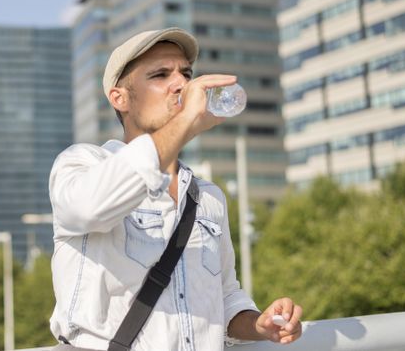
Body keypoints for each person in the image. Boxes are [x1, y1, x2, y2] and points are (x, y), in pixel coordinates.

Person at [48, 27, 302, 350]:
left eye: (186, 73)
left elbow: (224, 296)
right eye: (160, 75)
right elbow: (89, 207)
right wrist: (185, 124)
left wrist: (260, 324)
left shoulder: (208, 196)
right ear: (119, 98)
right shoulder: (81, 165)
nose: (181, 84)